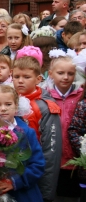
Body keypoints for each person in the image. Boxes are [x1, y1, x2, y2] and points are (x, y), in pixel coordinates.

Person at [0, 85, 45, 202]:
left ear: (16, 106)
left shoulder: (27, 133)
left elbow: (37, 164)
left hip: (23, 193)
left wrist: (15, 182)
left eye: (8, 104)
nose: (3, 108)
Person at [12, 56, 62, 201]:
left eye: (26, 77)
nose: (20, 80)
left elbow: (51, 152)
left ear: (38, 79)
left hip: (32, 174)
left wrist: (46, 192)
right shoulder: (6, 102)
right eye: (16, 76)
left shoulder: (45, 107)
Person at [46, 55, 83, 199]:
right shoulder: (45, 96)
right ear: (51, 74)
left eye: (71, 73)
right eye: (60, 73)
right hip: (50, 158)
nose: (66, 77)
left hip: (73, 158)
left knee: (70, 195)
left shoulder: (80, 96)